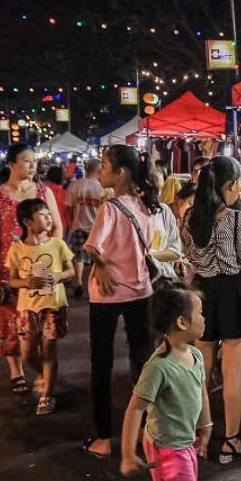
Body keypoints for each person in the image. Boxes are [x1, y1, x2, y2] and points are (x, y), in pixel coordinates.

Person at [82, 145, 160, 458]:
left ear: (121, 173)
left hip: (107, 294)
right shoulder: (147, 206)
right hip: (140, 291)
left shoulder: (111, 208)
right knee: (142, 362)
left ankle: (103, 438)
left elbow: (92, 247)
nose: (101, 171)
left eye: (104, 166)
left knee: (101, 364)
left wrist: (100, 265)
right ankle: (145, 431)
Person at [181, 156, 241, 464]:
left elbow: (189, 255)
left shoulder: (188, 217)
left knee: (201, 370)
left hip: (201, 294)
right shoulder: (235, 218)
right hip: (232, 294)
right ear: (231, 185)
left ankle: (197, 434)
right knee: (233, 374)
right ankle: (231, 440)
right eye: (238, 184)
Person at [0, 144, 63, 393]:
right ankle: (16, 370)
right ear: (11, 164)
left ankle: (39, 365)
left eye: (34, 161)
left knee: (38, 321)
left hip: (40, 269)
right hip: (6, 269)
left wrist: (52, 257)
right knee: (9, 320)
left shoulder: (45, 192)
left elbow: (57, 227)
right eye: (26, 160)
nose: (33, 165)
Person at [120, 285, 211, 481]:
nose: (204, 318)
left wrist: (206, 424)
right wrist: (127, 454)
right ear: (182, 322)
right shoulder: (158, 366)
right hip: (170, 449)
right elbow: (135, 409)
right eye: (200, 313)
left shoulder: (195, 355)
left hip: (176, 442)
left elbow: (201, 392)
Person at [7, 199, 74, 415]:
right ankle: (45, 375)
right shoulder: (17, 248)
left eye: (48, 214)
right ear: (27, 222)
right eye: (43, 215)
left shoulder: (57, 244)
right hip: (27, 308)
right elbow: (13, 280)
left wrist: (58, 276)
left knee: (49, 351)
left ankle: (48, 395)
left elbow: (70, 271)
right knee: (27, 354)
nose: (49, 218)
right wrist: (27, 282)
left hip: (52, 306)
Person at [65, 158, 104, 297]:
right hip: (97, 228)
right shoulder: (101, 187)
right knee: (98, 257)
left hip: (79, 225)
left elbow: (69, 207)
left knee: (79, 256)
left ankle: (79, 283)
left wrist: (71, 223)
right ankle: (97, 285)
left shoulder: (75, 185)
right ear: (99, 171)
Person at [45, 166, 68, 234]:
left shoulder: (43, 190)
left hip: (45, 223)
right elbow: (66, 210)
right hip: (60, 224)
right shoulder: (63, 192)